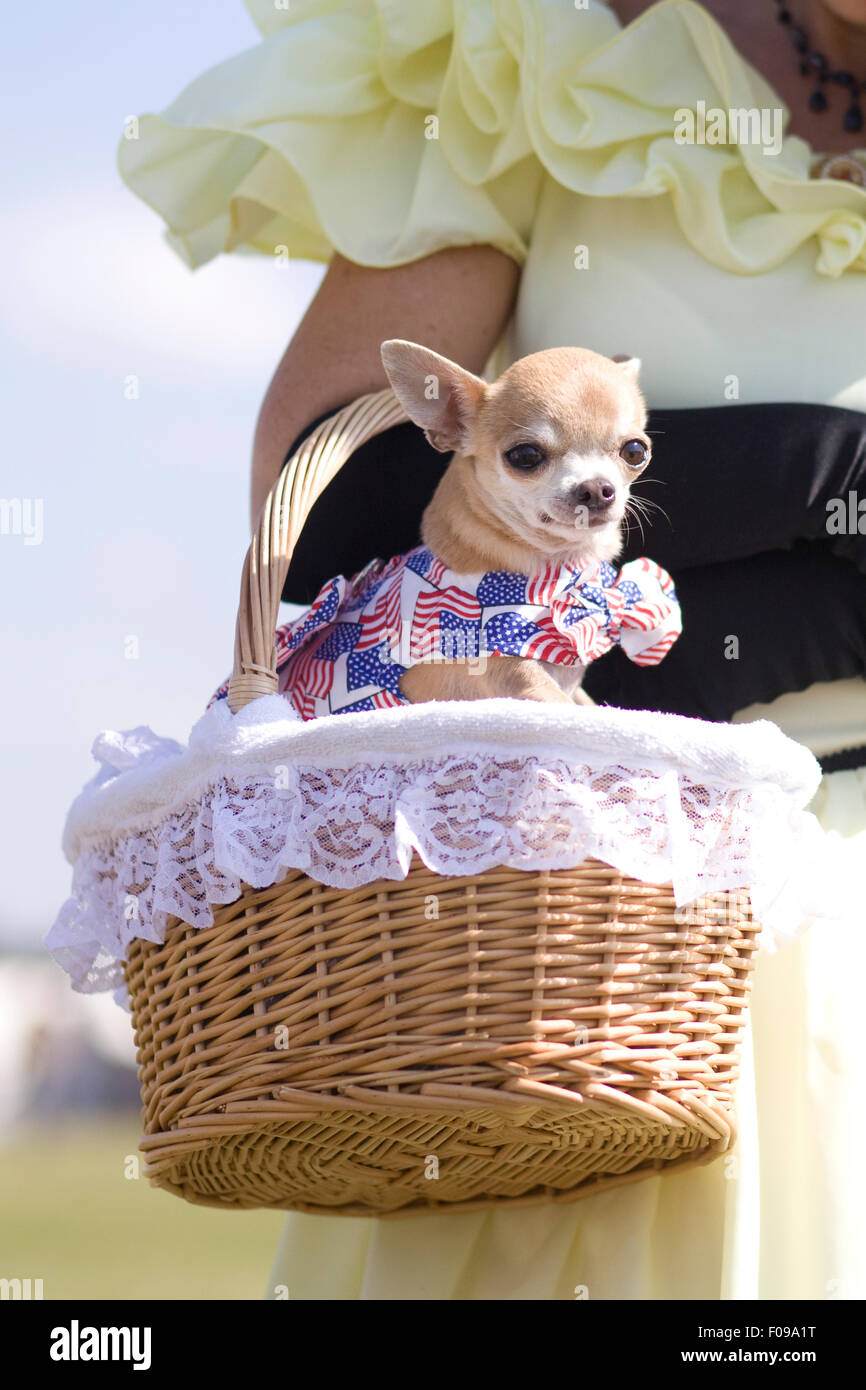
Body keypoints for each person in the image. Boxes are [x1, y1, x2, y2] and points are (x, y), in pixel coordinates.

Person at [118, 0, 866, 1298]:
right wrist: (829, 478)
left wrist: (753, 603)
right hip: (572, 946)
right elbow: (335, 499)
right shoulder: (536, 45)